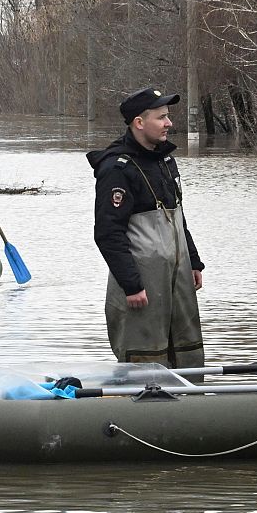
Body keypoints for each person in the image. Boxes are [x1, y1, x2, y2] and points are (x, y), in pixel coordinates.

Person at [86, 87, 206, 369]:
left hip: (176, 279)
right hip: (141, 286)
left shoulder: (165, 160)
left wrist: (194, 261)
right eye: (161, 117)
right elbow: (107, 233)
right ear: (139, 123)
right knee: (145, 361)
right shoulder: (117, 168)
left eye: (168, 117)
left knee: (187, 354)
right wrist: (132, 285)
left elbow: (177, 217)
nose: (169, 123)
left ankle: (193, 408)